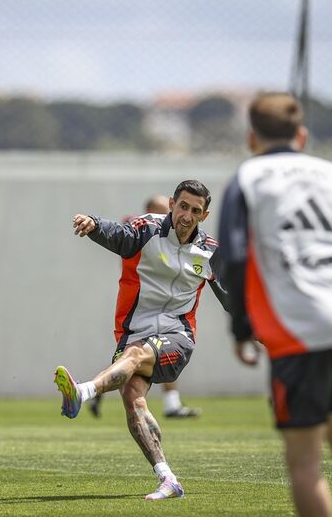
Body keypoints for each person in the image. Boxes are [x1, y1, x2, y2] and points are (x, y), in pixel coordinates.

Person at [216, 92, 332, 517]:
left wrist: (241, 328)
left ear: (250, 138)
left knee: (305, 460)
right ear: (302, 134)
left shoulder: (247, 178)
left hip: (299, 329)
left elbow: (235, 257)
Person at [55, 180, 228, 501]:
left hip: (178, 337)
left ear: (204, 216)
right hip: (134, 331)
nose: (187, 216)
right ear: (173, 203)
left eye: (195, 211)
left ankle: (83, 391)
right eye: (183, 206)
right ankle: (168, 478)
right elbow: (120, 235)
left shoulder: (210, 251)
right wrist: (94, 225)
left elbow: (231, 296)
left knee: (134, 356)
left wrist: (254, 328)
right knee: (133, 401)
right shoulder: (147, 230)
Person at [88, 193, 202, 419]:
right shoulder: (142, 232)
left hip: (165, 311)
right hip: (143, 307)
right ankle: (92, 390)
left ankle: (94, 391)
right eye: (161, 210)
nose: (169, 217)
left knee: (160, 350)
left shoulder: (174, 237)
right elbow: (122, 232)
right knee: (134, 356)